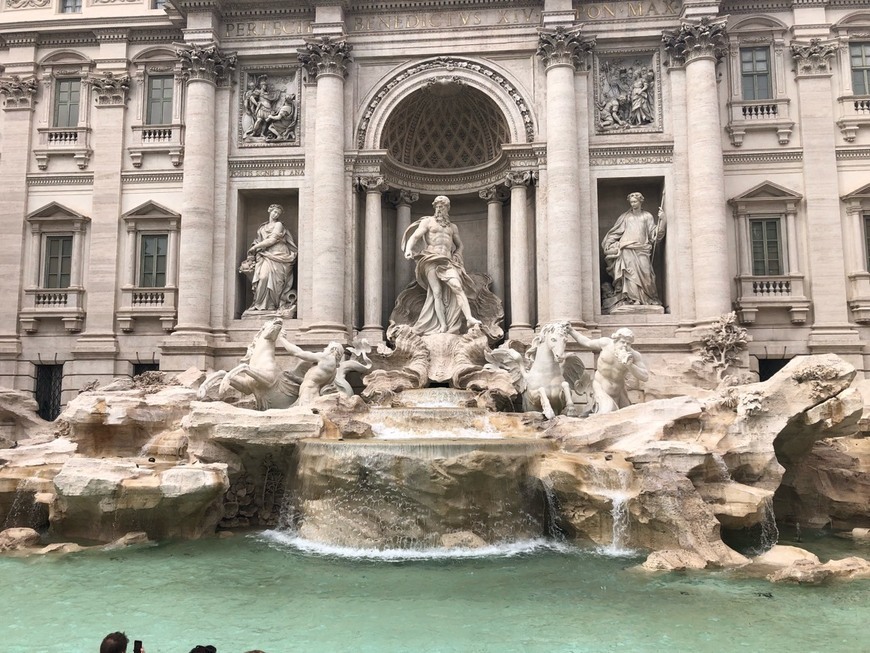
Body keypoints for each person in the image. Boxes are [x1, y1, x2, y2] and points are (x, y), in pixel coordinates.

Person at [402, 195, 482, 334]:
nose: (440, 209)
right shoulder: (428, 222)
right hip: (430, 258)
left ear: (448, 208)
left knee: (457, 286)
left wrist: (458, 254)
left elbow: (460, 245)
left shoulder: (452, 227)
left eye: (443, 206)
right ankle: (443, 325)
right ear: (434, 207)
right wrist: (408, 249)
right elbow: (415, 236)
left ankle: (469, 318)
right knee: (436, 292)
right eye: (438, 206)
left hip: (447, 261)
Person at [601, 192, 665, 311]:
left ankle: (648, 298)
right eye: (631, 202)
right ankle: (633, 299)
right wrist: (609, 243)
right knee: (630, 275)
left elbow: (654, 236)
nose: (633, 204)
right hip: (626, 248)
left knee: (647, 275)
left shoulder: (647, 216)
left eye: (635, 201)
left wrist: (663, 221)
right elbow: (615, 232)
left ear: (640, 201)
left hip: (642, 249)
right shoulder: (625, 217)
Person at [568, 327, 648, 414]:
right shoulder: (606, 344)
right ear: (616, 340)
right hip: (600, 387)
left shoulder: (634, 356)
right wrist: (571, 331)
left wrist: (630, 365)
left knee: (628, 415)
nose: (625, 345)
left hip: (619, 392)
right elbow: (587, 342)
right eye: (622, 342)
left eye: (628, 343)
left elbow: (645, 377)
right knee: (608, 412)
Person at [241, 204, 298, 314]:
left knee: (277, 282)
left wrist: (255, 247)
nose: (276, 214)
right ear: (269, 211)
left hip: (279, 254)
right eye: (274, 212)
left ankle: (272, 305)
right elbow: (258, 240)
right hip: (266, 255)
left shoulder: (279, 225)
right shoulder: (262, 228)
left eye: (278, 213)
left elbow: (272, 240)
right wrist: (255, 248)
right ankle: (258, 304)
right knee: (263, 277)